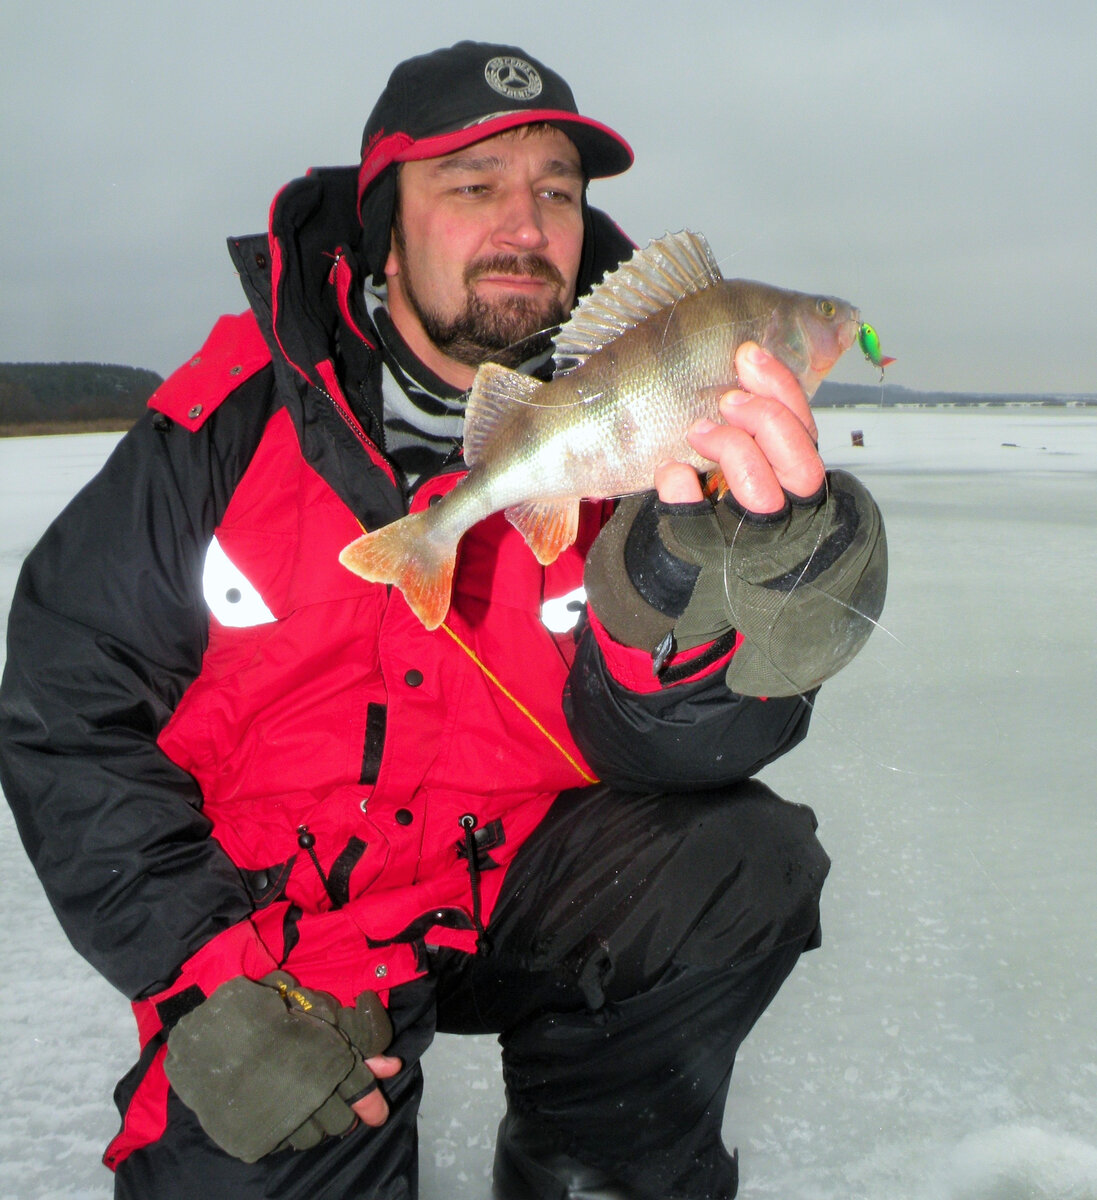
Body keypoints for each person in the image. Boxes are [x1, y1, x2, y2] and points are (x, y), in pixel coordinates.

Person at [0, 40, 886, 1200]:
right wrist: (202, 971)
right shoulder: (221, 429)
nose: (524, 225)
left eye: (556, 192)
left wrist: (720, 593)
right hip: (284, 941)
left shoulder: (666, 453)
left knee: (734, 860)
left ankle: (588, 1168)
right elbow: (66, 712)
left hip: (519, 888)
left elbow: (678, 750)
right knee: (261, 1138)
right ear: (384, 221)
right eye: (472, 186)